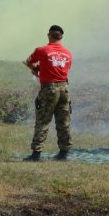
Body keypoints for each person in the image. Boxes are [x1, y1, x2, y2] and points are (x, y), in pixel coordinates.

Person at [23, 25, 72, 162]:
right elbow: (62, 69)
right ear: (61, 37)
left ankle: (36, 154)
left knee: (43, 120)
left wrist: (35, 70)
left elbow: (29, 62)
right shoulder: (68, 53)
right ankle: (63, 153)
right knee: (64, 122)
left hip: (49, 88)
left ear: (49, 35)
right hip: (64, 88)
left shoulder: (41, 50)